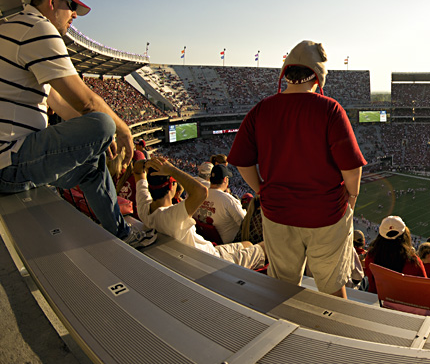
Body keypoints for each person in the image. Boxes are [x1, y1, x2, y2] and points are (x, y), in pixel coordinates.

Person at [0, 0, 154, 247]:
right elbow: (87, 103)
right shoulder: (37, 28)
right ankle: (119, 232)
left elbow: (56, 100)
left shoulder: (9, 28)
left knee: (92, 163)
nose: (75, 15)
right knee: (103, 123)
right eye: (72, 7)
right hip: (7, 164)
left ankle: (121, 233)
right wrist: (121, 129)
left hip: (7, 157)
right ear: (54, 1)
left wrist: (96, 141)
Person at [228, 40, 366, 298]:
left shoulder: (262, 109)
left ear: (286, 74)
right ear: (318, 76)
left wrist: (261, 189)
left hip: (278, 213)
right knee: (332, 287)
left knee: (282, 286)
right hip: (325, 214)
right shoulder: (330, 109)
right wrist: (352, 198)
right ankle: (335, 334)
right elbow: (351, 168)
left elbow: (242, 161)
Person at [134, 156, 265, 269]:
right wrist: (171, 169)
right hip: (210, 260)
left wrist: (150, 165)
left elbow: (137, 169)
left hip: (207, 250)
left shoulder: (145, 209)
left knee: (247, 244)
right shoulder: (171, 216)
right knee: (263, 247)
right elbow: (201, 191)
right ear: (171, 185)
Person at [363, 216, 426, 293]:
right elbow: (424, 288)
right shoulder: (413, 262)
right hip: (401, 303)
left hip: (374, 299)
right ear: (405, 235)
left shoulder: (371, 256)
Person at [195, 164, 245, 243]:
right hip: (226, 245)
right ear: (225, 179)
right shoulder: (228, 200)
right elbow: (244, 224)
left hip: (203, 240)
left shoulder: (199, 195)